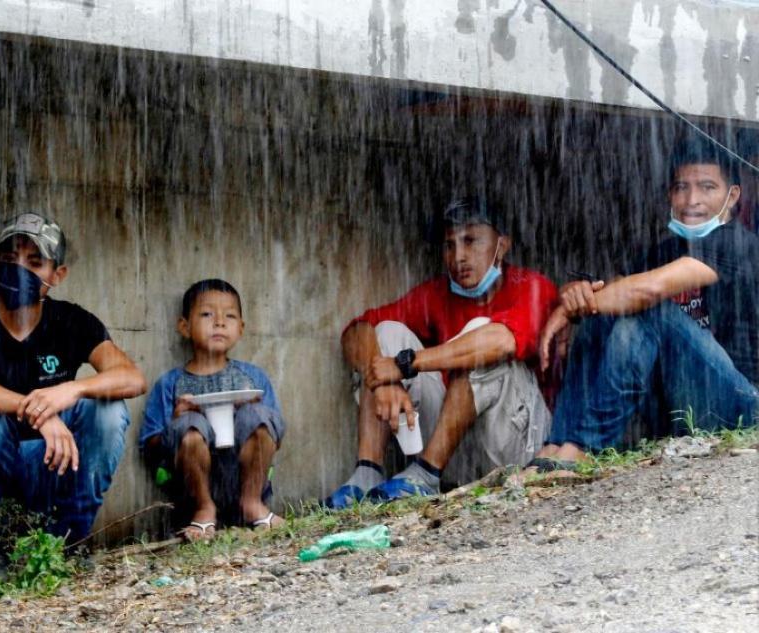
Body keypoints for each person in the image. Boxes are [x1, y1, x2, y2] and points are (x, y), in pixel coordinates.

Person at [530, 141, 759, 471]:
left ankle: (587, 445)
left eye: (707, 187)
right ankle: (560, 443)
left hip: (739, 405)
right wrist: (576, 296)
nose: (692, 200)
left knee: (647, 307)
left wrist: (569, 310)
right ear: (670, 195)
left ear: (732, 196)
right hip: (676, 406)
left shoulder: (739, 243)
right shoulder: (662, 251)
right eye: (681, 188)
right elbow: (614, 290)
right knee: (603, 317)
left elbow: (648, 289)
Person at [324, 197, 558, 508]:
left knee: (478, 338)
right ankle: (368, 473)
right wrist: (384, 381)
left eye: (470, 241)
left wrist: (407, 364)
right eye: (450, 245)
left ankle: (425, 473)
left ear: (501, 246)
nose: (459, 256)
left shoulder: (533, 286)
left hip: (520, 448)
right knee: (387, 332)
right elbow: (357, 330)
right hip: (457, 452)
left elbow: (501, 342)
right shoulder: (436, 293)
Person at [0, 213, 146, 552]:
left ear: (57, 275)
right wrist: (38, 412)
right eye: (9, 258)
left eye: (35, 263)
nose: (19, 269)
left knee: (107, 411)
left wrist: (72, 389)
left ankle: (66, 544)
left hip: (52, 464)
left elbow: (132, 378)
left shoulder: (72, 321)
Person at [139, 279, 286, 541]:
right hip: (191, 488)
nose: (219, 322)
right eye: (207, 314)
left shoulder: (253, 378)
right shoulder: (170, 384)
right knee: (189, 424)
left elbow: (276, 437)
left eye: (229, 316)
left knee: (258, 416)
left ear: (241, 328)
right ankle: (204, 508)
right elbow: (149, 446)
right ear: (184, 326)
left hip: (243, 478)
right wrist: (178, 420)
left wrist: (251, 413)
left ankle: (252, 504)